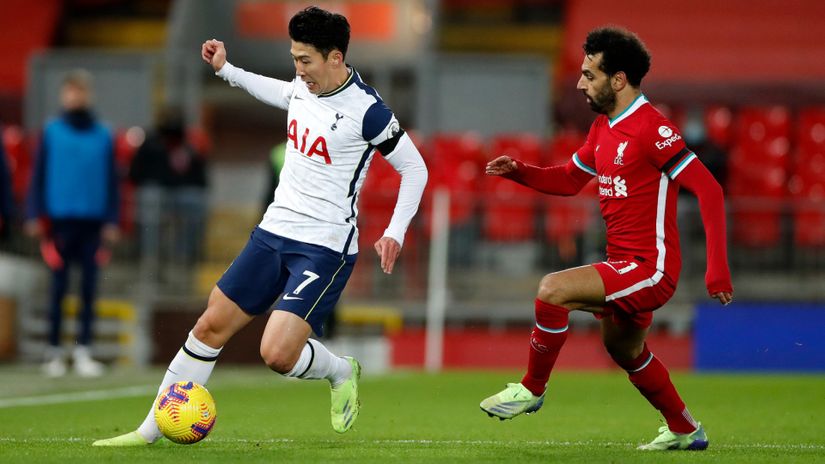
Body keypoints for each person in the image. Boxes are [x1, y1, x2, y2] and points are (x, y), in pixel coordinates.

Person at [93, 6, 427, 446]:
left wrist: (395, 231)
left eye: (305, 60)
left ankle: (342, 370)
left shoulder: (368, 111)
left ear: (335, 57)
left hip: (324, 245)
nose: (298, 70)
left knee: (276, 353)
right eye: (294, 59)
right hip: (274, 232)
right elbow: (282, 92)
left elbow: (415, 168)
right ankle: (149, 431)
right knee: (210, 324)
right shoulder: (305, 88)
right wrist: (226, 69)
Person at [479, 27, 732, 451]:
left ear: (618, 80)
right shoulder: (603, 127)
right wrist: (520, 171)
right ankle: (687, 430)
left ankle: (532, 389)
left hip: (650, 269)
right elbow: (569, 180)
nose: (580, 83)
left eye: (589, 74)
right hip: (623, 264)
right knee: (625, 349)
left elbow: (709, 188)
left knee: (552, 290)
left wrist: (717, 270)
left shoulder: (652, 127)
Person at [25, 70, 120, 378]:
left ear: (88, 94)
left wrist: (112, 219)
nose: (75, 97)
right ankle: (54, 351)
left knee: (89, 290)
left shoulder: (103, 134)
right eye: (70, 91)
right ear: (63, 95)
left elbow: (113, 180)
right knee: (58, 288)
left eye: (80, 91)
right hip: (59, 223)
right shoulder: (51, 132)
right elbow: (37, 175)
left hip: (92, 223)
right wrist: (32, 214)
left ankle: (83, 351)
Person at [129, 105, 209, 266]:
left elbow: (201, 180)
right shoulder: (151, 143)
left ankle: (185, 256)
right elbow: (135, 173)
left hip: (181, 194)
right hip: (157, 192)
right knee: (151, 198)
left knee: (194, 201)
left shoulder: (189, 145)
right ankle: (150, 256)